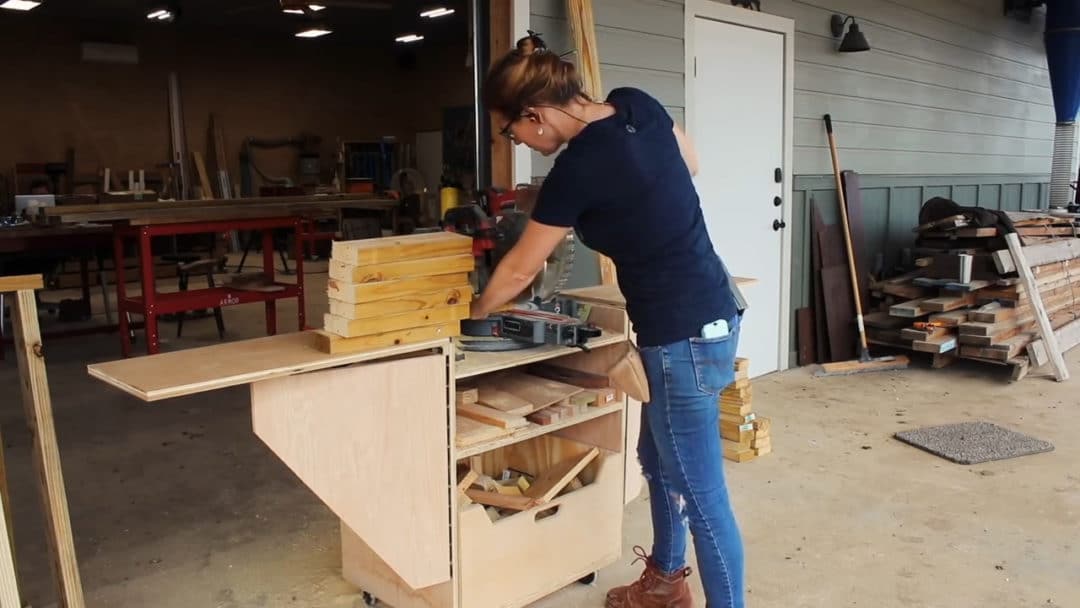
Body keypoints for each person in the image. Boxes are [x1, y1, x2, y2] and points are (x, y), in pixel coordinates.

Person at [470, 33, 746, 608]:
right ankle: (667, 581)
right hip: (713, 310)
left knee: (703, 497)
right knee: (657, 459)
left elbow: (520, 269)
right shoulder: (635, 103)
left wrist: (472, 317)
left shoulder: (579, 169)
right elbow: (687, 164)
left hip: (679, 336)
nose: (516, 140)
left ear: (536, 115)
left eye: (510, 129)